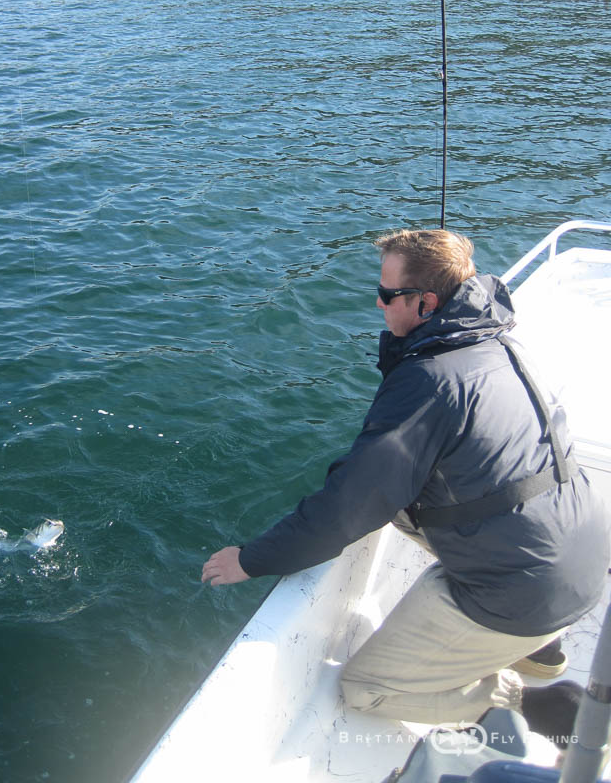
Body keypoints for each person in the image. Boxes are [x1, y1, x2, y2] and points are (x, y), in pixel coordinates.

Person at [201, 229, 609, 744]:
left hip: (527, 590)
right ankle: (542, 650)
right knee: (410, 505)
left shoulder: (432, 381)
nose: (378, 302)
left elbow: (351, 504)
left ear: (426, 302)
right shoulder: (496, 339)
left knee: (366, 688)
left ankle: (527, 697)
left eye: (388, 294)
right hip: (582, 551)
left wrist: (253, 558)